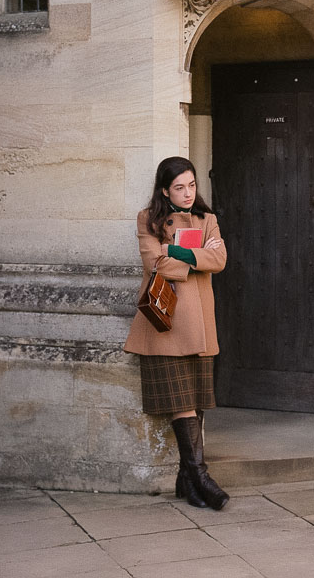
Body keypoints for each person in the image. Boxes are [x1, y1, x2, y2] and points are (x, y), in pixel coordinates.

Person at [123, 156, 229, 510]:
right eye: (179, 187)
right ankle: (201, 476)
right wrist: (197, 257)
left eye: (192, 186)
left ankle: (187, 480)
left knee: (196, 401)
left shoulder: (208, 219)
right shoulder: (148, 219)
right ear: (165, 189)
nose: (187, 193)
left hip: (199, 322)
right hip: (165, 323)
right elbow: (153, 262)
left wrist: (176, 251)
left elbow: (220, 260)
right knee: (182, 403)